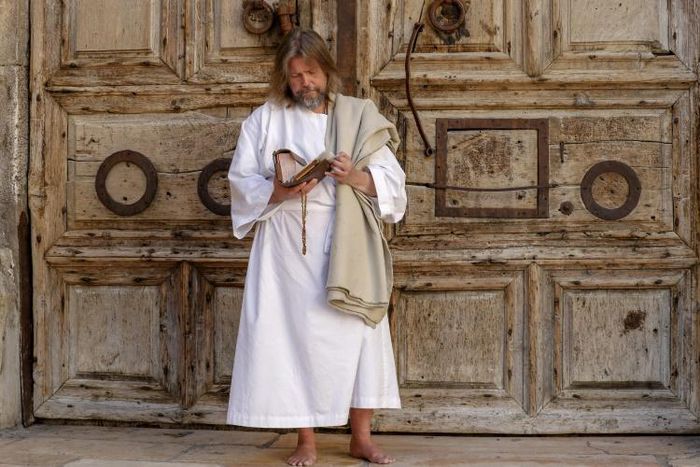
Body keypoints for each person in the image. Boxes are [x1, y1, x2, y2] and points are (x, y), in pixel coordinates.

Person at [227, 28, 407, 466]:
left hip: (349, 241)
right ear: (284, 79)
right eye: (295, 76)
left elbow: (393, 185)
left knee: (360, 333)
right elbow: (240, 180)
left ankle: (360, 436)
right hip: (287, 245)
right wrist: (280, 191)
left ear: (327, 70)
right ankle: (305, 439)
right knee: (292, 339)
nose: (305, 83)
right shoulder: (265, 119)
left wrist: (354, 177)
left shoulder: (359, 115)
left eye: (311, 73)